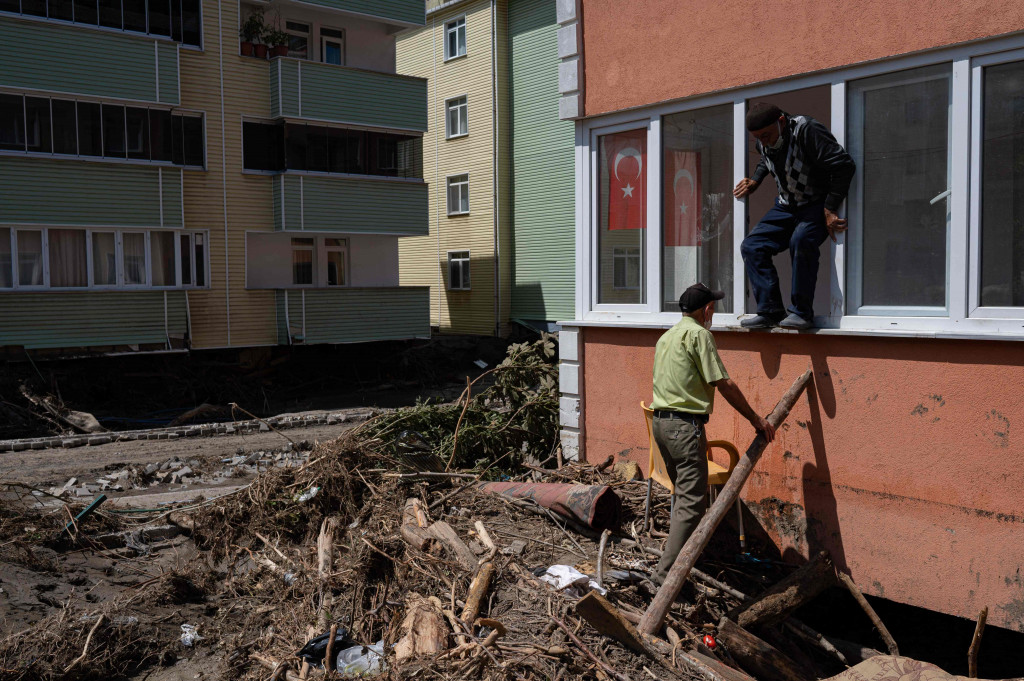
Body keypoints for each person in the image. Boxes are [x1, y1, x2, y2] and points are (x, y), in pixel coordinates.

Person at [650, 283, 776, 585]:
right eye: (713, 308)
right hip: (684, 427)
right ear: (707, 309)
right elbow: (723, 383)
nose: (714, 313)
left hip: (661, 424)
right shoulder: (699, 335)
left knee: (684, 498)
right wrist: (756, 419)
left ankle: (683, 560)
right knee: (692, 503)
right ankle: (666, 577)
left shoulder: (667, 337)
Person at [734, 102, 855, 330]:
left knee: (801, 240)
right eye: (757, 138)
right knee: (752, 246)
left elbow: (844, 165)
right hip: (786, 206)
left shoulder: (807, 130)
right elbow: (766, 159)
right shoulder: (764, 141)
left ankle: (801, 312)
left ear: (781, 121)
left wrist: (830, 207)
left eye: (766, 135)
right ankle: (770, 311)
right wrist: (756, 180)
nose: (763, 142)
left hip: (814, 203)